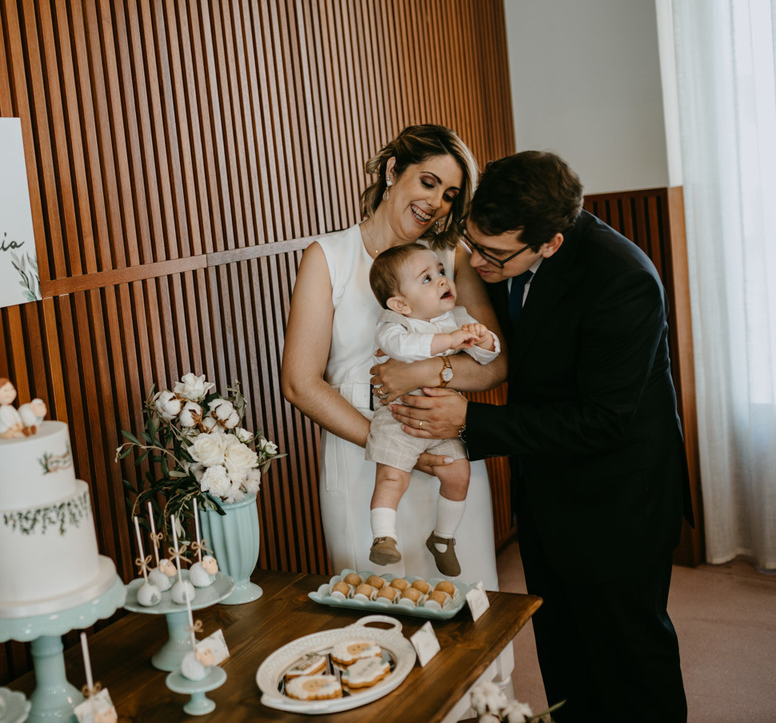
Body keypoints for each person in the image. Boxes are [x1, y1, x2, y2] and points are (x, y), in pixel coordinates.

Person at [390, 151, 693, 721]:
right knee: (563, 652)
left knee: (630, 659)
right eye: (472, 243)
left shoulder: (623, 280)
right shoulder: (493, 254)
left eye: (494, 254)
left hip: (620, 499)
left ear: (550, 243)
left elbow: (601, 420)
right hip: (547, 487)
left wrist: (468, 422)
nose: (474, 261)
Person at [281, 124, 507, 585]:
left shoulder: (450, 256)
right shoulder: (329, 256)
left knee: (462, 600)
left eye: (450, 194)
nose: (436, 203)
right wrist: (388, 447)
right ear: (391, 172)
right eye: (428, 182)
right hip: (362, 453)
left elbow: (497, 364)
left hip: (444, 444)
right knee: (380, 606)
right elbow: (300, 383)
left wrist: (430, 369)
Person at [365, 243, 501, 576]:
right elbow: (405, 349)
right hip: (400, 418)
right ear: (401, 303)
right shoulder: (394, 325)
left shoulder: (458, 319)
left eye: (441, 271)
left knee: (458, 473)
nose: (442, 280)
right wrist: (451, 342)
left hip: (443, 420)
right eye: (427, 278)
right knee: (392, 477)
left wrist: (484, 340)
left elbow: (488, 358)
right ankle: (384, 536)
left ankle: (443, 538)